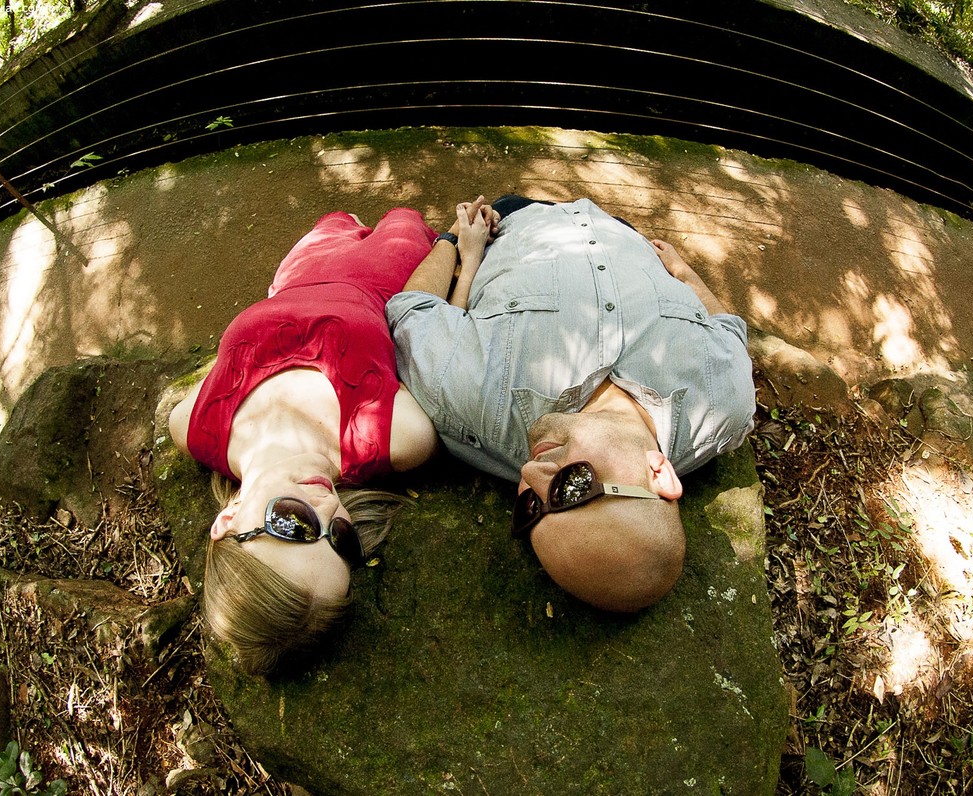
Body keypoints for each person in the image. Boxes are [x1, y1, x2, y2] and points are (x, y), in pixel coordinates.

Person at [387, 195, 755, 612]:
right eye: (573, 488)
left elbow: (412, 311)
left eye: (529, 507)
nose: (529, 474)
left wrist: (452, 241)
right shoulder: (724, 403)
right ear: (659, 474)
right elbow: (729, 328)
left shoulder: (478, 404)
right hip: (623, 231)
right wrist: (685, 273)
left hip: (515, 217)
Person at [169, 205, 464, 675]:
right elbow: (436, 328)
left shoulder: (193, 428)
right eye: (342, 539)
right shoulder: (395, 437)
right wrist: (453, 247)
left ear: (226, 520)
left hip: (300, 269)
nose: (329, 509)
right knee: (402, 216)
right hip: (389, 271)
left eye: (293, 524)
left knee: (336, 217)